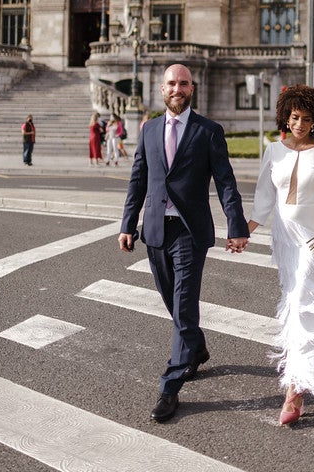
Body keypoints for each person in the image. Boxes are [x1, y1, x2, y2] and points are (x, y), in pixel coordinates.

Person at [118, 63, 249, 422]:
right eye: (171, 83)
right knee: (171, 301)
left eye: (184, 83)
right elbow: (138, 180)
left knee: (184, 303)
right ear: (162, 89)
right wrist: (128, 224)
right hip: (157, 230)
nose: (178, 88)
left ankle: (170, 384)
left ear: (193, 88)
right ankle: (198, 348)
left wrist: (236, 225)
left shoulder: (209, 131)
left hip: (191, 232)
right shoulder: (149, 130)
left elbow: (225, 181)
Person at [247, 85, 314, 426]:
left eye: (307, 119)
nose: (300, 124)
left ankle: (296, 389)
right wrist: (246, 230)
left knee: (303, 298)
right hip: (285, 238)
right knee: (294, 301)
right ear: (286, 116)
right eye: (295, 117)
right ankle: (301, 368)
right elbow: (264, 195)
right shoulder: (273, 150)